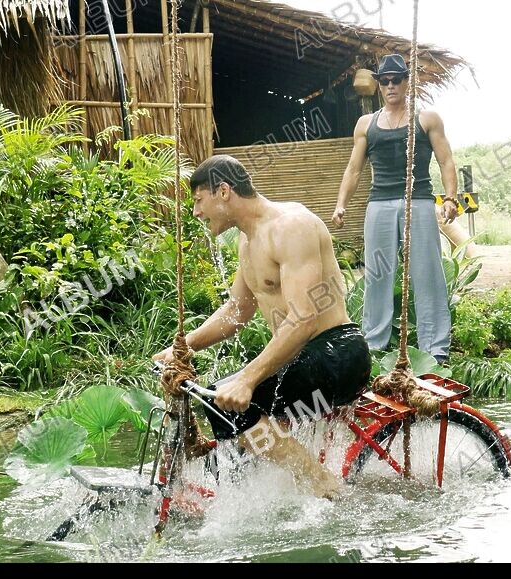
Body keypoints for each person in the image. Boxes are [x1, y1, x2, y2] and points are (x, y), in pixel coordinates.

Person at [154, 155, 371, 499]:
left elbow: (304, 318)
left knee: (228, 402)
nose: (195, 211)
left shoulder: (290, 226)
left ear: (223, 191)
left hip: (338, 353)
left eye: (198, 200)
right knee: (220, 404)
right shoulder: (247, 239)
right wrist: (185, 346)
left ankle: (326, 486)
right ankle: (249, 496)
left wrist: (247, 379)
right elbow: (237, 311)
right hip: (299, 358)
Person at [332, 53, 459, 365]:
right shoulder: (366, 124)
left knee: (426, 270)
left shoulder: (427, 119)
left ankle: (436, 349)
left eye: (396, 80)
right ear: (378, 85)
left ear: (407, 82)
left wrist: (451, 198)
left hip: (418, 200)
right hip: (379, 203)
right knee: (377, 273)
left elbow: (446, 160)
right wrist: (340, 205)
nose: (390, 85)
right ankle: (374, 346)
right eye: (384, 81)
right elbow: (353, 168)